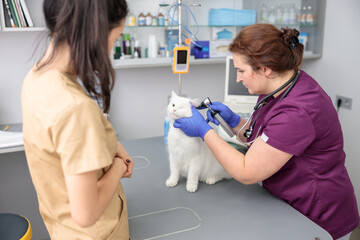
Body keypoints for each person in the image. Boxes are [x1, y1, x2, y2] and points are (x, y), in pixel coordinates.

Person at [173, 23, 359, 240]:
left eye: (241, 70)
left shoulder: (297, 111)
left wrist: (205, 132)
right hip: (288, 205)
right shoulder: (280, 85)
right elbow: (263, 138)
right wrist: (233, 121)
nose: (238, 78)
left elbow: (247, 171)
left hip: (318, 217)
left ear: (265, 68)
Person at [21, 0, 133, 239]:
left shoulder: (36, 78)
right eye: (115, 38)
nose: (111, 50)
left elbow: (64, 147)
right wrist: (118, 166)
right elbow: (86, 213)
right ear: (95, 34)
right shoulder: (75, 108)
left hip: (63, 229)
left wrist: (108, 144)